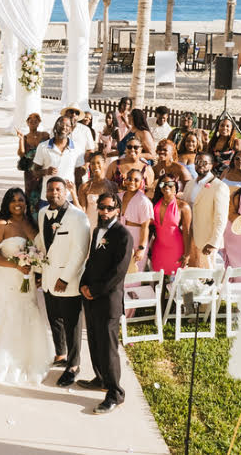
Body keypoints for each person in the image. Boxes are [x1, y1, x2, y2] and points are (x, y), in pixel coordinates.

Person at [0, 188, 54, 385]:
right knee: (7, 314)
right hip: (5, 277)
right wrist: (15, 264)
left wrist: (37, 271)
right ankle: (5, 356)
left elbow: (40, 250)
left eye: (21, 199)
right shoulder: (1, 225)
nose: (17, 203)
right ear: (7, 204)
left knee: (27, 312)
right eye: (13, 200)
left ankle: (27, 356)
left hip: (26, 279)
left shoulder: (31, 223)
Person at [77, 191, 132, 415]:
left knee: (109, 348)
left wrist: (96, 290)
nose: (105, 211)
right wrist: (83, 285)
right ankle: (100, 378)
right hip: (90, 296)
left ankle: (115, 393)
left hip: (108, 299)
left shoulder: (123, 235)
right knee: (94, 341)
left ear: (118, 211)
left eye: (109, 208)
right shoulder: (98, 230)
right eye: (102, 207)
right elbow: (91, 261)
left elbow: (118, 272)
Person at [39, 178, 91, 387]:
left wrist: (65, 278)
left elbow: (80, 252)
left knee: (72, 324)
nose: (54, 193)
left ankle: (74, 365)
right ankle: (60, 355)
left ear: (66, 192)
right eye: (50, 189)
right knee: (55, 320)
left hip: (67, 280)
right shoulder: (42, 213)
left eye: (58, 189)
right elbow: (43, 243)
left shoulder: (78, 217)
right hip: (48, 278)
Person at [182, 153, 230, 269]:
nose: (200, 165)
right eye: (197, 162)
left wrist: (214, 242)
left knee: (205, 278)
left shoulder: (219, 187)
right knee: (190, 275)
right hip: (189, 236)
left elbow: (221, 218)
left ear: (211, 165)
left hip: (206, 239)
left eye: (204, 163)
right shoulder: (189, 184)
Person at [148, 177, 192, 278]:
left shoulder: (183, 206)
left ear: (175, 187)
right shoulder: (154, 203)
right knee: (157, 280)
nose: (166, 186)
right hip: (158, 248)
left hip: (176, 248)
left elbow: (187, 232)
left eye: (170, 184)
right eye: (162, 184)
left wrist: (187, 254)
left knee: (175, 282)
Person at [32, 117, 84, 196]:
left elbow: (78, 176)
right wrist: (46, 171)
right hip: (48, 197)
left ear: (71, 129)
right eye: (61, 124)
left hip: (68, 197)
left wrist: (77, 196)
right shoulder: (43, 146)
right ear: (55, 126)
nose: (64, 127)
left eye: (67, 125)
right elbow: (35, 172)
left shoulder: (77, 148)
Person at [119, 169, 153, 273]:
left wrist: (141, 248)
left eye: (136, 180)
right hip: (119, 237)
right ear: (125, 180)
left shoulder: (144, 201)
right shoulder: (118, 197)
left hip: (136, 237)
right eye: (129, 179)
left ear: (141, 182)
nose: (132, 182)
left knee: (134, 273)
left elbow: (145, 227)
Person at [16, 112, 49, 214]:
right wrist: (21, 139)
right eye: (31, 122)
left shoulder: (44, 135)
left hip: (42, 169)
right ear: (27, 123)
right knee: (30, 195)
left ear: (39, 123)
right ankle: (31, 219)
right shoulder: (25, 137)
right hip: (30, 172)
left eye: (35, 121)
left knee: (43, 193)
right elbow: (21, 153)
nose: (33, 124)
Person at [78, 152, 119, 222]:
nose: (95, 166)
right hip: (90, 225)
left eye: (98, 163)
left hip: (107, 225)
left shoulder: (113, 186)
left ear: (104, 164)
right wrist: (73, 193)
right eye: (92, 163)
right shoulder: (84, 187)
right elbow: (82, 211)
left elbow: (116, 209)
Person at [63, 107, 97, 178]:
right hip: (63, 168)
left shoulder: (86, 130)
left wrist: (85, 167)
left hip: (80, 169)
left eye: (77, 113)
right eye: (71, 111)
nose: (74, 114)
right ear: (66, 113)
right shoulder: (59, 128)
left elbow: (90, 150)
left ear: (78, 116)